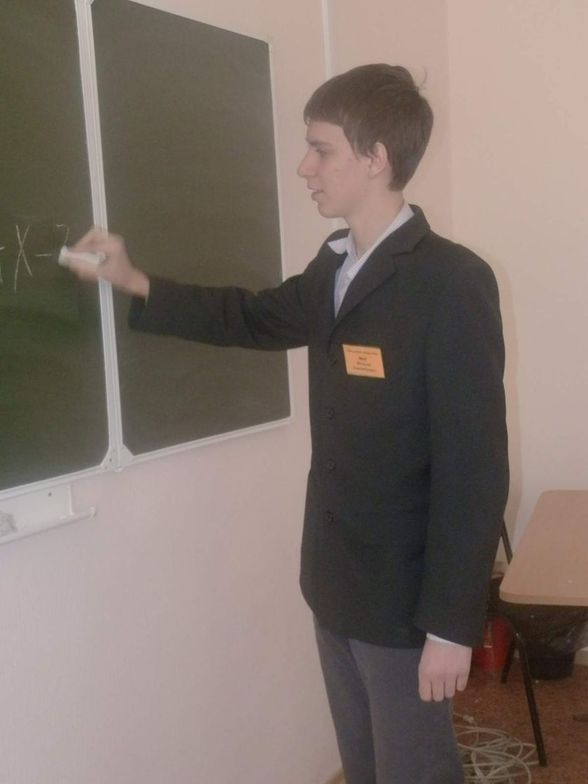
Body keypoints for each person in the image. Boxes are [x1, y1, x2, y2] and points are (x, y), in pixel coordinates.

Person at [66, 64, 509, 784]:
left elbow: (475, 469)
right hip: (335, 585)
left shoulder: (450, 282)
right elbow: (249, 318)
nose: (305, 167)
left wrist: (453, 625)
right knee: (365, 768)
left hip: (406, 601)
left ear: (376, 158)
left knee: (416, 773)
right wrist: (133, 280)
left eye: (321, 149)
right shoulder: (333, 269)